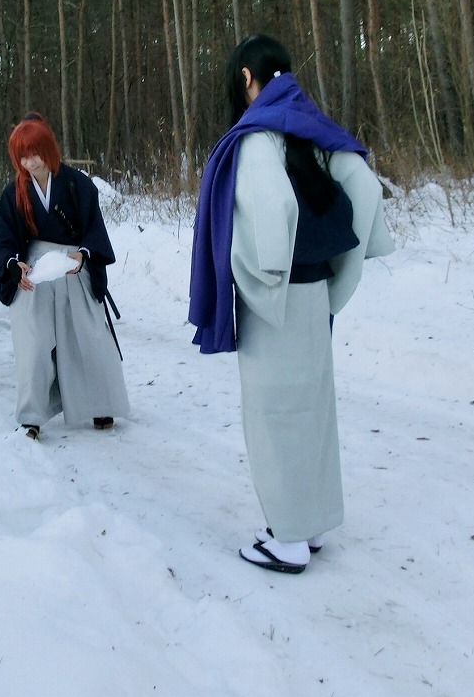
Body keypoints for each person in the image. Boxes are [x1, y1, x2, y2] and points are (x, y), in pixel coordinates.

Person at [189, 35, 394, 573]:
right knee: (312, 412)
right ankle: (313, 521)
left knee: (275, 416)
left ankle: (287, 538)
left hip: (275, 298)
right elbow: (367, 192)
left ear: (246, 79)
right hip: (315, 292)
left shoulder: (258, 137)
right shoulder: (315, 131)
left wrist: (264, 275)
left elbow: (269, 205)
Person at [0, 113, 129, 439]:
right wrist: (15, 265)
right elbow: (6, 239)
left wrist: (83, 254)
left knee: (88, 336)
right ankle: (32, 416)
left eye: (35, 152)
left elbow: (94, 228)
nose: (30, 162)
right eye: (22, 155)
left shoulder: (77, 184)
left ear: (49, 149)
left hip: (72, 265)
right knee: (35, 342)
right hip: (36, 272)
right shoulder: (14, 193)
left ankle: (100, 406)